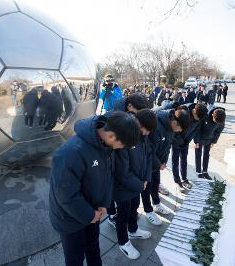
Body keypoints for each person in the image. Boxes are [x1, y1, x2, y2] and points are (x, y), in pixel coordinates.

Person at [49, 111, 141, 266]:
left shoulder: (105, 146)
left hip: (93, 212)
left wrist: (103, 204)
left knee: (93, 247)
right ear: (111, 135)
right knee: (75, 258)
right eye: (123, 144)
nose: (122, 148)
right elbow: (65, 194)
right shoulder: (71, 152)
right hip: (70, 219)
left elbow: (107, 177)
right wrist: (89, 214)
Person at [110, 109, 157, 260]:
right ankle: (123, 242)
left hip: (138, 183)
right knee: (122, 214)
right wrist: (140, 185)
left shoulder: (143, 137)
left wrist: (146, 178)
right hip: (123, 187)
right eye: (146, 130)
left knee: (134, 207)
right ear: (138, 123)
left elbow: (149, 156)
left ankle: (133, 229)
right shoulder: (125, 136)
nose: (147, 133)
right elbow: (122, 172)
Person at [145, 109, 191, 225]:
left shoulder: (171, 128)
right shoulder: (156, 125)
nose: (180, 131)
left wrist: (164, 161)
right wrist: (158, 163)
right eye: (180, 129)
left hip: (158, 163)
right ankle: (148, 211)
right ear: (175, 123)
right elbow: (148, 149)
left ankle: (156, 204)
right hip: (147, 163)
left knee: (156, 183)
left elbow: (167, 146)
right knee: (146, 187)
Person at [172, 103, 208, 190]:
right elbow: (174, 129)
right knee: (175, 161)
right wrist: (180, 141)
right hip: (176, 141)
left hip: (185, 141)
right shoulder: (182, 112)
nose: (197, 120)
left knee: (184, 160)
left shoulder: (200, 115)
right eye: (196, 118)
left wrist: (187, 141)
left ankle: (184, 179)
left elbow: (195, 130)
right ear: (194, 111)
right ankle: (177, 181)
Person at [194, 106, 226, 179]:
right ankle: (199, 171)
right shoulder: (205, 115)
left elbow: (218, 131)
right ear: (212, 115)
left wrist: (214, 141)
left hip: (210, 139)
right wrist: (196, 141)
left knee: (206, 154)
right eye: (215, 121)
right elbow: (197, 129)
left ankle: (205, 171)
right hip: (200, 138)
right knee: (198, 154)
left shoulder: (222, 118)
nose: (217, 123)